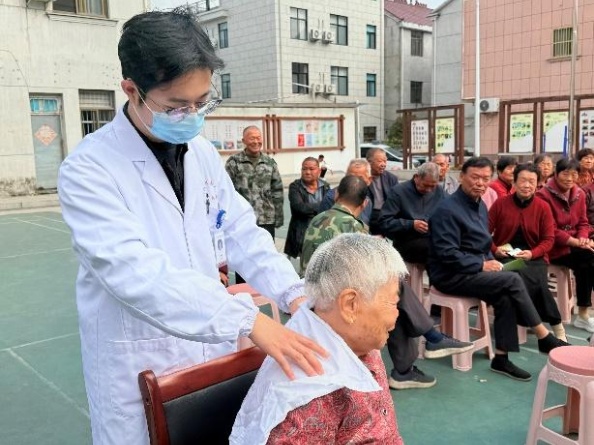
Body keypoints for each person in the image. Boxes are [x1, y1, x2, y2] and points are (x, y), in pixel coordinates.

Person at [57, 9, 325, 445]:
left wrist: (293, 292)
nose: (192, 115)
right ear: (132, 90)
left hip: (208, 353)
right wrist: (249, 321)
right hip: (137, 357)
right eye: (176, 106)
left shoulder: (200, 153)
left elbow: (239, 231)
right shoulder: (89, 169)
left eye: (201, 102)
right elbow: (134, 273)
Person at [231, 233, 407, 444]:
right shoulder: (306, 403)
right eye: (392, 303)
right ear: (350, 305)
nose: (396, 315)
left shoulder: (361, 342)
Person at [301, 175, 473, 390]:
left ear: (336, 195)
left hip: (313, 292)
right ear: (365, 203)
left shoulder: (318, 219)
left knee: (393, 298)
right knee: (392, 295)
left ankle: (416, 356)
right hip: (337, 299)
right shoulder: (354, 227)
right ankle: (424, 345)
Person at [428, 157, 568, 382]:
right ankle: (544, 335)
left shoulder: (480, 205)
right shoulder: (447, 209)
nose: (480, 183)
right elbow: (447, 254)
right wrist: (482, 264)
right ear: (461, 176)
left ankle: (501, 358)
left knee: (507, 292)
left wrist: (492, 260)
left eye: (485, 178)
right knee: (512, 280)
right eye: (475, 177)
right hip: (450, 275)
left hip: (473, 270)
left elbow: (483, 243)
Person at [489, 163, 566, 341]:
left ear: (538, 184)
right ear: (514, 182)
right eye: (522, 180)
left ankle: (554, 326)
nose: (527, 185)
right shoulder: (500, 204)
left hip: (534, 257)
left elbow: (548, 239)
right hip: (505, 256)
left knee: (536, 280)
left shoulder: (543, 206)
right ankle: (549, 325)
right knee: (518, 275)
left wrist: (533, 253)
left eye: (532, 181)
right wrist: (495, 249)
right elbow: (484, 233)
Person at [537, 157, 594, 333]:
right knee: (588, 259)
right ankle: (583, 314)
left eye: (574, 174)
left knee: (588, 258)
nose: (569, 178)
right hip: (552, 248)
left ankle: (583, 313)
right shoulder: (543, 195)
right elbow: (550, 230)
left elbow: (583, 222)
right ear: (556, 173)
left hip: (574, 245)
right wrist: (576, 242)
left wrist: (583, 238)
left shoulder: (579, 194)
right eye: (565, 174)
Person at [225, 126, 284, 284]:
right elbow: (226, 191)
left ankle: (267, 291)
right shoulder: (234, 163)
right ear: (244, 141)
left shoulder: (270, 162)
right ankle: (244, 291)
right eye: (252, 138)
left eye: (258, 137)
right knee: (244, 258)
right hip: (242, 220)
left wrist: (278, 217)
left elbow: (277, 190)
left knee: (266, 258)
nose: (256, 141)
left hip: (266, 219)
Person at [376, 162, 445, 265]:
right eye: (425, 185)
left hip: (432, 240)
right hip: (407, 242)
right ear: (416, 177)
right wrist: (411, 224)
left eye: (432, 186)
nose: (428, 190)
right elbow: (384, 222)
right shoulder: (398, 192)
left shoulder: (439, 191)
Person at [284, 157, 330, 259]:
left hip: (322, 233)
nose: (307, 172)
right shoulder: (295, 187)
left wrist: (310, 208)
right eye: (304, 169)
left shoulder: (325, 186)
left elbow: (330, 207)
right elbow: (299, 208)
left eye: (311, 169)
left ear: (319, 171)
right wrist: (321, 206)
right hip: (301, 234)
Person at [319, 158, 373, 225]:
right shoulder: (331, 197)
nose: (355, 182)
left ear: (369, 180)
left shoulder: (367, 200)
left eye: (360, 178)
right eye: (351, 178)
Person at [366, 147, 399, 233]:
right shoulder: (363, 178)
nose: (383, 164)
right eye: (380, 161)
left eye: (385, 161)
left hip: (386, 215)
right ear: (369, 162)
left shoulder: (391, 178)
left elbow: (397, 201)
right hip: (369, 216)